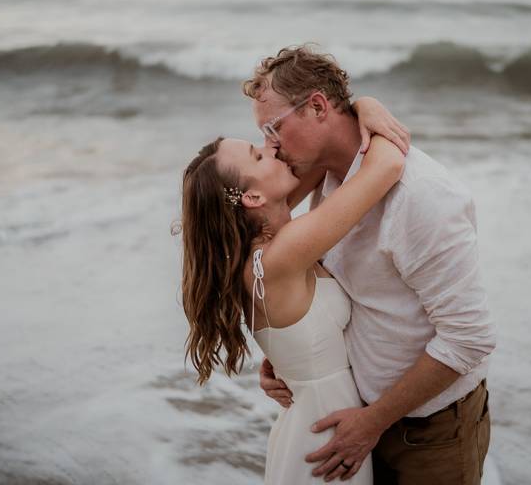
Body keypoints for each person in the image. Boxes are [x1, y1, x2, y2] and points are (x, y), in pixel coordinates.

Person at [246, 46, 496, 484]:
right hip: (357, 420)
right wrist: (292, 357)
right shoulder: (325, 174)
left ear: (318, 106)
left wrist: (374, 421)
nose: (271, 145)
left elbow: (469, 339)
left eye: (273, 127)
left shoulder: (423, 199)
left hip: (431, 431)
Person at [179, 99, 408, 484]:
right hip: (326, 440)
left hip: (315, 424)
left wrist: (356, 106)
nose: (270, 145)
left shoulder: (253, 254)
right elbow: (386, 164)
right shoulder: (282, 256)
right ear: (252, 198)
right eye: (257, 154)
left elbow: (319, 159)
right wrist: (368, 108)